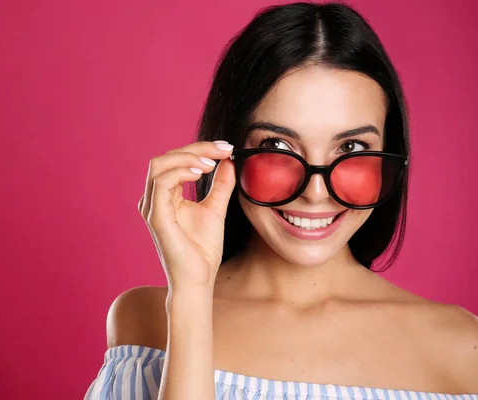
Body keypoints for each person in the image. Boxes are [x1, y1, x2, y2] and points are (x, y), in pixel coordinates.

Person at [85, 2, 478, 399]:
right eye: (277, 145)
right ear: (229, 152)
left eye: (353, 147)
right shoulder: (147, 320)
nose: (315, 192)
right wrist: (191, 292)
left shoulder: (465, 348)